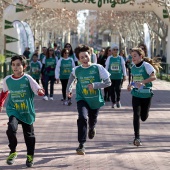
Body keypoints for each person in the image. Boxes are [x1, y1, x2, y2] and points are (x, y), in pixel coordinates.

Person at [0, 55, 44, 167]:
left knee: (29, 135)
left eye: (18, 65)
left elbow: (37, 88)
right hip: (13, 109)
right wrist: (0, 104)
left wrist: (40, 91)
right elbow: (4, 93)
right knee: (11, 129)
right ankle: (13, 151)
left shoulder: (27, 78)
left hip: (26, 111)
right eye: (13, 65)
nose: (15, 67)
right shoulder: (7, 80)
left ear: (24, 66)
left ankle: (30, 156)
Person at [66, 45, 111, 155]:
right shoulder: (77, 70)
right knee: (82, 117)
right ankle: (81, 144)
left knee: (92, 120)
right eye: (82, 57)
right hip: (82, 98)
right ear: (78, 59)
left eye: (86, 56)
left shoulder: (98, 68)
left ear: (90, 55)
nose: (84, 59)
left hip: (95, 100)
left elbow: (108, 82)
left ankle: (92, 128)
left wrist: (95, 85)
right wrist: (68, 90)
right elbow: (70, 81)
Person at [127, 48, 161, 146]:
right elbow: (135, 80)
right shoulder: (133, 67)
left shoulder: (146, 65)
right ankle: (137, 137)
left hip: (146, 94)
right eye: (132, 56)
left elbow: (154, 77)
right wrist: (130, 85)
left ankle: (145, 114)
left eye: (135, 56)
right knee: (136, 115)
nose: (133, 58)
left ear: (141, 56)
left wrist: (143, 82)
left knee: (143, 117)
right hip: (136, 94)